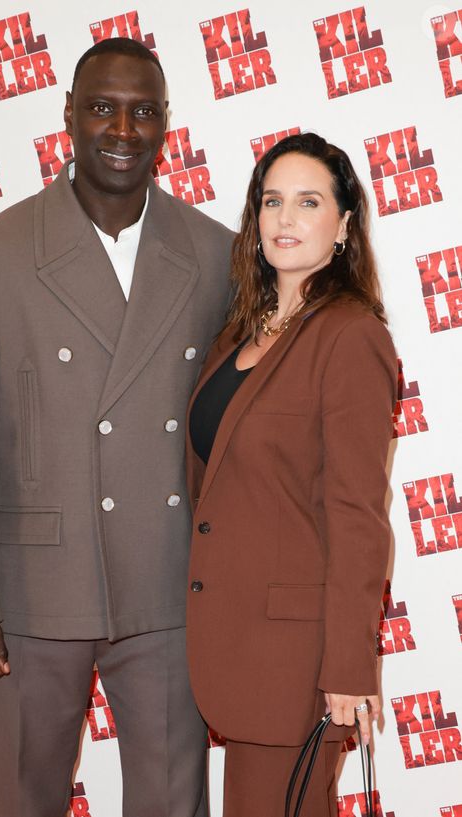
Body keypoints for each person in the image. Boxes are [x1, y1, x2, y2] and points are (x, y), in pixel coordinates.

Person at [0, 38, 234, 817]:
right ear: (67, 115)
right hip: (32, 596)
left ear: (167, 124)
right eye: (102, 107)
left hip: (168, 587)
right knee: (27, 798)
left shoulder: (218, 255)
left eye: (143, 111)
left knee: (173, 803)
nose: (122, 129)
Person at [185, 132, 397, 817]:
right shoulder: (239, 334)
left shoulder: (350, 334)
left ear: (342, 225)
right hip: (232, 643)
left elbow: (357, 510)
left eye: (308, 202)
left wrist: (347, 668)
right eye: (271, 201)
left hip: (297, 661)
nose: (285, 218)